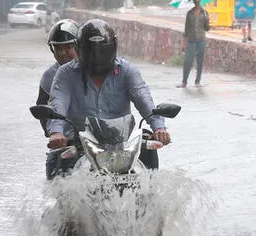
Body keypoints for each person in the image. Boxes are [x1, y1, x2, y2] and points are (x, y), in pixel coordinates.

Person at [46, 19, 170, 176]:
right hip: (80, 141)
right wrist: (56, 133)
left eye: (102, 51)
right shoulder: (65, 73)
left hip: (122, 141)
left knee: (148, 149)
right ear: (80, 49)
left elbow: (143, 98)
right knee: (55, 162)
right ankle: (61, 199)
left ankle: (150, 194)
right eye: (92, 52)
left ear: (113, 48)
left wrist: (159, 128)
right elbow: (58, 104)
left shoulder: (127, 71)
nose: (97, 57)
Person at [36, 19, 80, 137]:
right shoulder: (49, 76)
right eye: (58, 48)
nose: (62, 52)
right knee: (55, 156)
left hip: (94, 135)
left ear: (79, 46)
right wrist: (52, 133)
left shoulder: (91, 70)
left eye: (68, 47)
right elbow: (42, 104)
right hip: (64, 138)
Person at [178, 0, 210, 88]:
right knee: (188, 61)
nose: (197, 1)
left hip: (201, 40)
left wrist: (207, 20)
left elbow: (207, 28)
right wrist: (184, 43)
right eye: (195, 0)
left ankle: (197, 81)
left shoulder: (205, 13)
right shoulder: (189, 13)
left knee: (200, 61)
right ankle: (184, 82)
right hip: (191, 40)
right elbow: (186, 29)